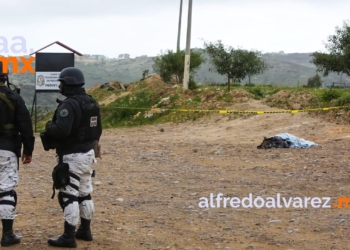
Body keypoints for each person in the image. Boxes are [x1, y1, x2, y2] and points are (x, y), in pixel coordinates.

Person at [43, 67, 102, 248]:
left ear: (68, 83)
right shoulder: (91, 102)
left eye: (62, 83)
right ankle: (85, 230)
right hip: (88, 154)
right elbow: (98, 130)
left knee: (69, 195)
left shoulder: (69, 104)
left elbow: (62, 130)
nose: (60, 86)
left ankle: (69, 236)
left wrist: (48, 127)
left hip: (72, 156)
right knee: (85, 192)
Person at [0, 62, 35, 246]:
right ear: (5, 76)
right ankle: (7, 235)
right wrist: (28, 150)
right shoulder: (14, 97)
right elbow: (26, 127)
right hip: (7, 149)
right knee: (6, 191)